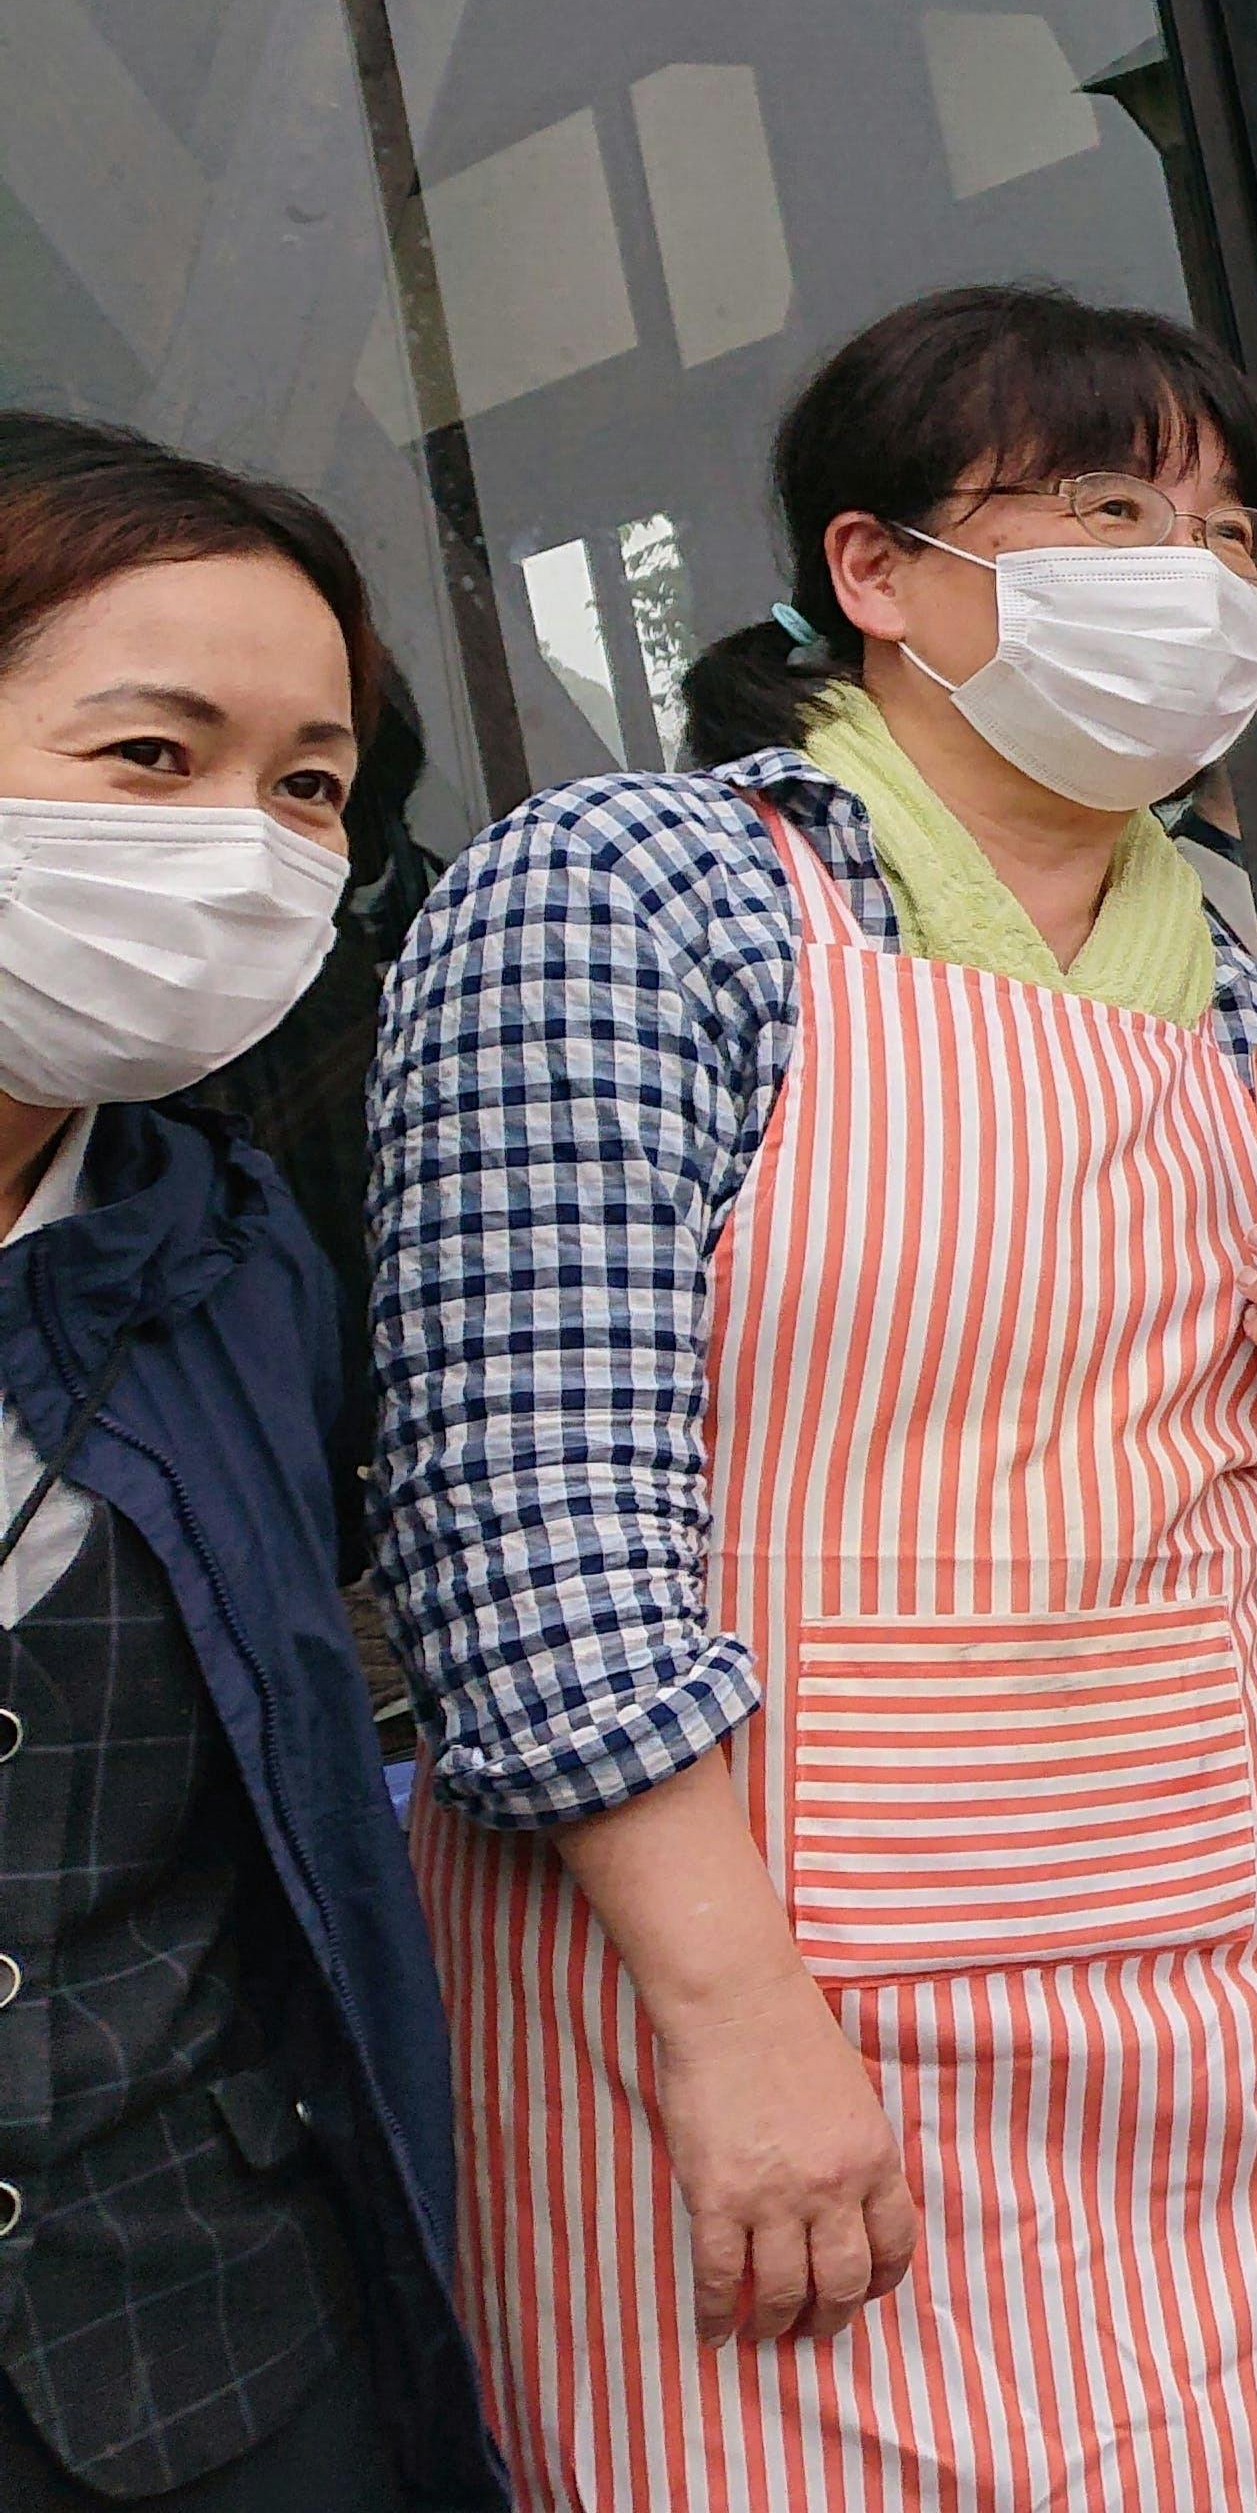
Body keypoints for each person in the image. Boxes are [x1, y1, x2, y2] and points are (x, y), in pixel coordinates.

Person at [371, 287, 1257, 2503]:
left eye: (1222, 527)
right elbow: (522, 1506)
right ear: (873, 574)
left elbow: (1215, 1528)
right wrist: (735, 2023)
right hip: (785, 2021)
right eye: (1104, 505)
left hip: (1236, 2010)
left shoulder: (1247, 1000)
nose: (1184, 567)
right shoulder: (640, 896)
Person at [0, 419, 497, 2510]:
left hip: (207, 2361)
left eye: (304, 786)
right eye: (149, 756)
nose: (244, 849)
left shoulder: (230, 1261)